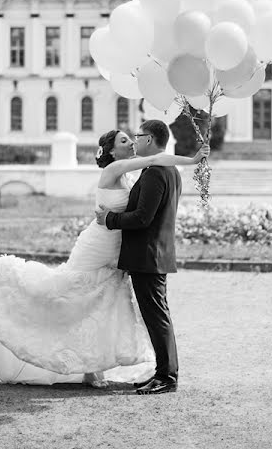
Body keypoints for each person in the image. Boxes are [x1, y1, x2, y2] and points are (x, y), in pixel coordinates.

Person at [0, 128, 208, 388]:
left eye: (133, 138)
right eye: (124, 140)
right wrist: (192, 160)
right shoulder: (115, 169)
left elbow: (149, 184)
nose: (131, 143)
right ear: (112, 151)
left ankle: (93, 368)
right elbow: (153, 159)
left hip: (116, 245)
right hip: (99, 243)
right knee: (69, 295)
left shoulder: (129, 173)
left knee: (98, 305)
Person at [95, 119, 184, 395]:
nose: (135, 140)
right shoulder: (165, 169)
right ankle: (162, 373)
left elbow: (143, 218)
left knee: (157, 317)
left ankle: (167, 377)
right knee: (157, 315)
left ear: (149, 139)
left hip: (148, 255)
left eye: (138, 135)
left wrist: (110, 218)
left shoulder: (157, 172)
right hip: (153, 254)